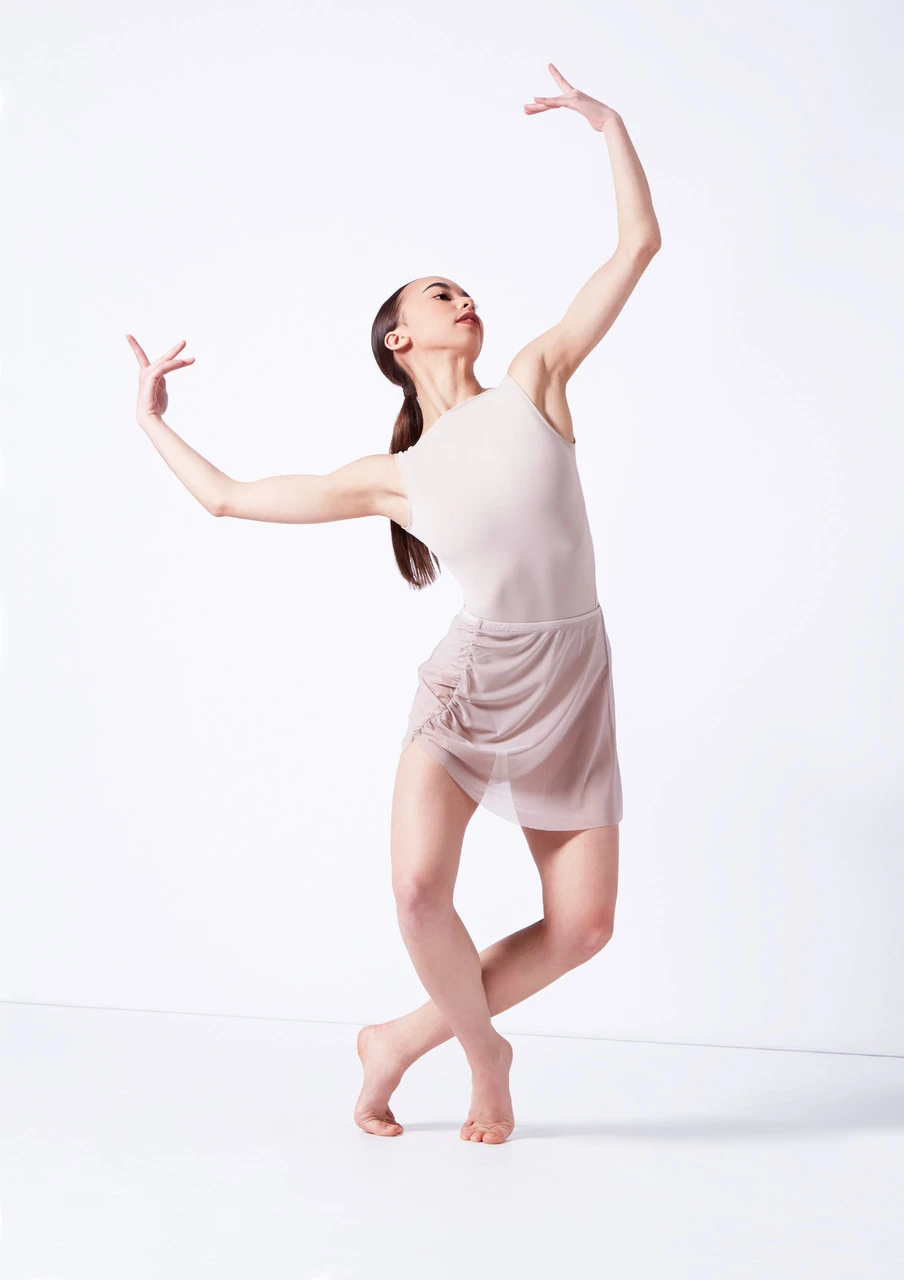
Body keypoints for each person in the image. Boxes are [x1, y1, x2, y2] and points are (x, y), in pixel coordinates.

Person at [127, 64, 661, 1146]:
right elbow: (229, 497)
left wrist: (608, 124)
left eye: (464, 288)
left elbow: (637, 245)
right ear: (398, 341)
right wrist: (150, 420)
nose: (462, 298)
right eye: (437, 293)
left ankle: (398, 1038)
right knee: (418, 891)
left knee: (584, 926)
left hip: (571, 677)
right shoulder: (394, 478)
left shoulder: (537, 380)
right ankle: (483, 1053)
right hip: (471, 684)